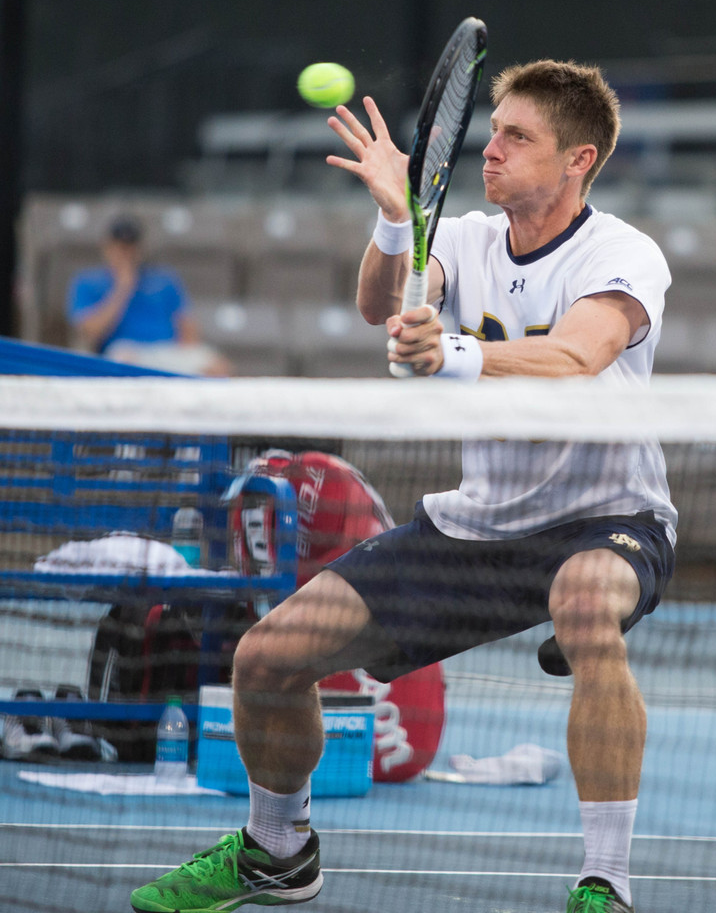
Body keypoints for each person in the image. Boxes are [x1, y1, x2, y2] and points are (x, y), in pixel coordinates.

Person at [130, 60, 677, 913]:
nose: (489, 150)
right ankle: (279, 850)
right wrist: (396, 220)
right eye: (491, 131)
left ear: (579, 160)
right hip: (475, 528)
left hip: (608, 517)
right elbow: (378, 303)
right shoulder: (457, 238)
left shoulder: (623, 254)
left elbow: (578, 356)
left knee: (585, 604)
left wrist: (454, 355)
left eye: (516, 136)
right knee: (268, 658)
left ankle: (606, 882)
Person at [66, 215, 230, 376]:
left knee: (217, 366)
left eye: (131, 247)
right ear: (108, 247)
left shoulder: (165, 280)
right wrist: (122, 289)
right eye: (120, 247)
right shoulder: (88, 282)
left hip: (167, 351)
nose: (126, 253)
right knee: (123, 360)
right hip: (126, 350)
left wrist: (187, 358)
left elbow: (187, 327)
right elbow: (89, 332)